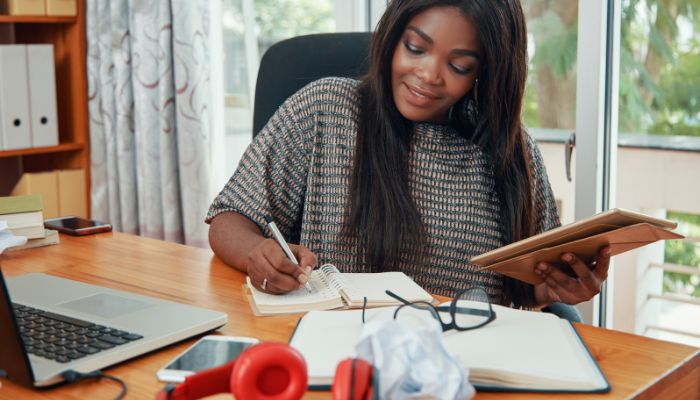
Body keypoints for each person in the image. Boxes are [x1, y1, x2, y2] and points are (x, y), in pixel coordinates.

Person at [207, 0, 610, 310]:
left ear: (484, 73)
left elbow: (524, 292)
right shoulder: (324, 110)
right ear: (393, 36)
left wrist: (553, 287)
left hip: (462, 364)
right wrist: (255, 255)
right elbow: (229, 218)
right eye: (416, 48)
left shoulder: (511, 154)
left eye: (458, 65)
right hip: (337, 352)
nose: (429, 75)